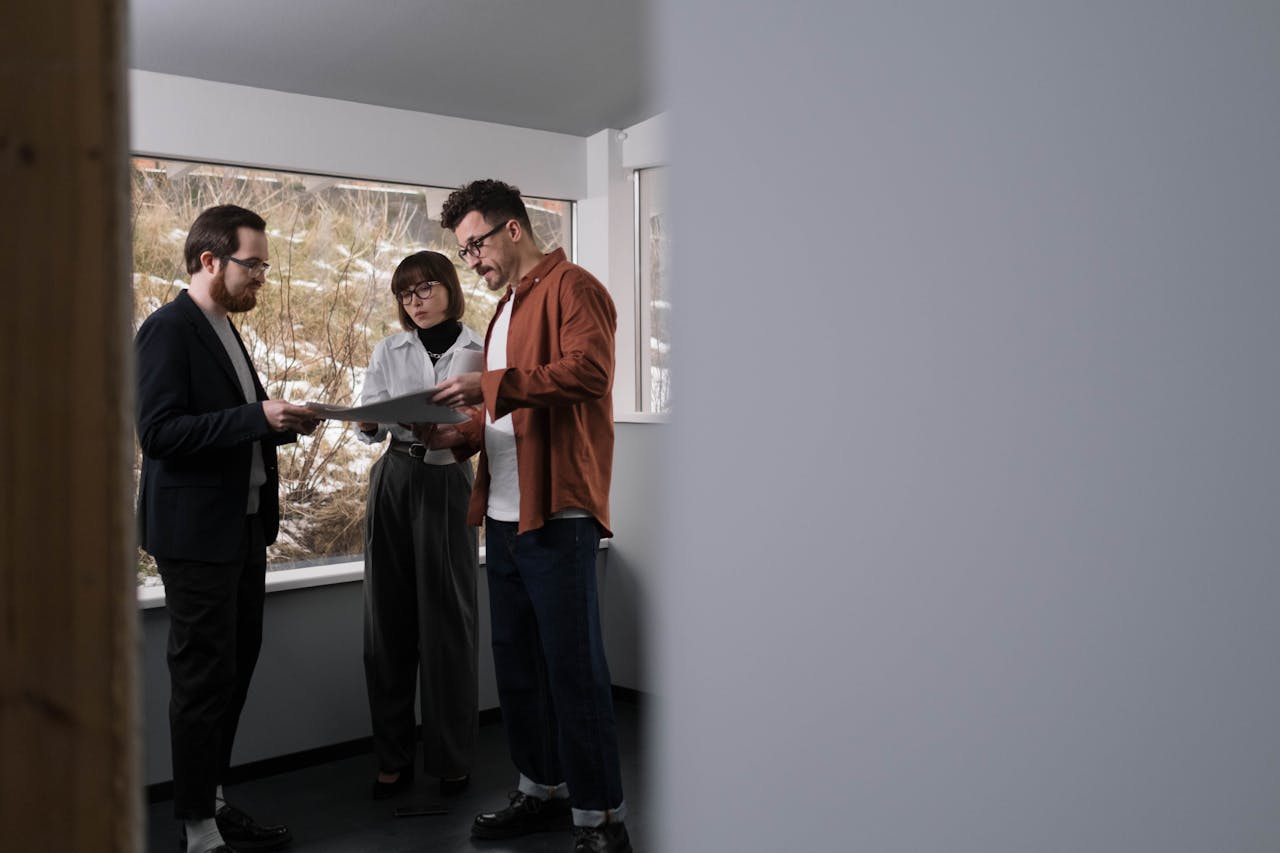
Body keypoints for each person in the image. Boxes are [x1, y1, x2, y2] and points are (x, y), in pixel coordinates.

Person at [430, 179, 633, 853]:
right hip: (505, 515)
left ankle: (602, 818)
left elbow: (589, 373)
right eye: (464, 252)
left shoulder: (575, 288)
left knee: (573, 668)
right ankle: (540, 789)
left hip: (559, 514)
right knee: (517, 664)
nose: (472, 262)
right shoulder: (505, 309)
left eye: (475, 246)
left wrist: (487, 386)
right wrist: (459, 434)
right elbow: (505, 417)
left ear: (512, 229)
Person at [135, 204, 318, 853]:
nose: (262, 278)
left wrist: (282, 422)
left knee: (233, 673)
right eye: (254, 265)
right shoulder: (167, 330)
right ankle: (198, 829)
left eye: (264, 266)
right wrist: (256, 418)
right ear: (210, 260)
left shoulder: (223, 329)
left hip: (242, 529)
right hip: (196, 538)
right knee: (202, 681)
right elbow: (159, 434)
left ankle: (210, 802)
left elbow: (233, 423)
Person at [355, 251, 484, 801]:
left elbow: (492, 421)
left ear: (450, 288)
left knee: (449, 622)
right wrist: (368, 420)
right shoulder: (390, 349)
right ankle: (393, 757)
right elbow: (367, 425)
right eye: (405, 294)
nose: (415, 302)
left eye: (425, 288)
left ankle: (451, 757)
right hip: (395, 477)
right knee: (387, 623)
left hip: (449, 476)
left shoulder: (480, 348)